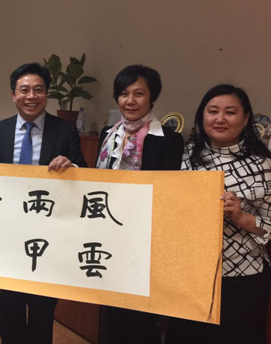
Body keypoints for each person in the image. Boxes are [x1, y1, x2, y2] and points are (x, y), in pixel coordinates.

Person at [0, 62, 87, 344]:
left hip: (48, 233)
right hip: (9, 232)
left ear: (46, 94)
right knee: (10, 311)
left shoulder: (65, 130)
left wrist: (72, 165)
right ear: (13, 95)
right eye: (24, 90)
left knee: (42, 312)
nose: (31, 96)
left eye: (38, 90)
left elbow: (85, 171)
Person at [166, 85, 271, 344]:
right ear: (202, 115)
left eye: (230, 112)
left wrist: (241, 217)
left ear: (245, 118)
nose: (220, 118)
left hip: (242, 275)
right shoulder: (185, 155)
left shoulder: (264, 164)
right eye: (212, 111)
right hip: (190, 274)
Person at [96, 65, 184, 344]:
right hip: (110, 236)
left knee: (141, 318)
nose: (130, 101)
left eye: (139, 93)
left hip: (146, 240)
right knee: (112, 312)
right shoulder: (107, 134)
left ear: (152, 97)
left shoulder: (169, 140)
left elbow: (168, 194)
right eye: (124, 93)